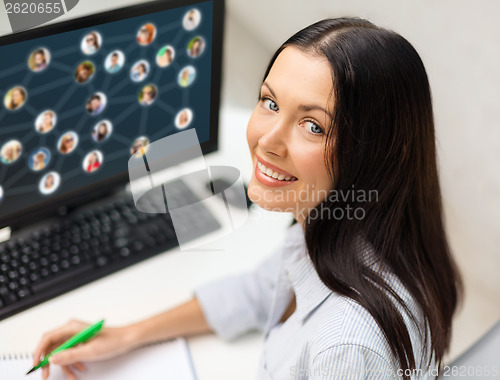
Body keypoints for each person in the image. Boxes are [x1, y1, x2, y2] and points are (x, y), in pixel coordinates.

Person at [33, 18, 463, 380]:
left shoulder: (346, 348)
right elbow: (259, 293)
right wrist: (129, 335)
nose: (266, 141)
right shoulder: (341, 228)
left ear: (380, 150)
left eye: (313, 126)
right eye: (270, 102)